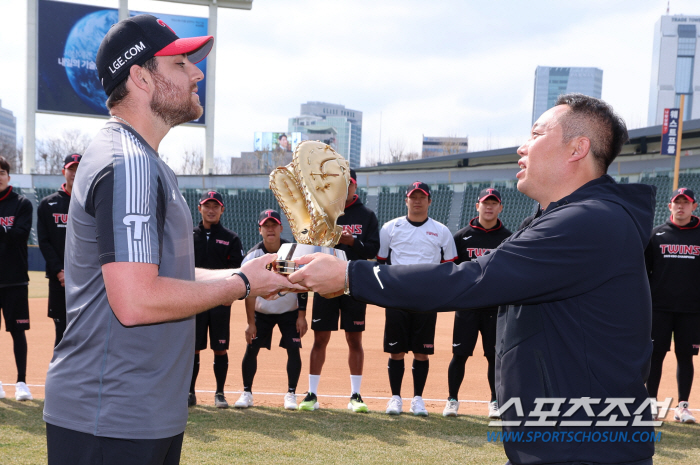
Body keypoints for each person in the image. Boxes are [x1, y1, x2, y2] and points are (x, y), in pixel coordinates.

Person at [290, 94, 657, 465]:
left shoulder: (588, 222)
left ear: (578, 148)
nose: (522, 146)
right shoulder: (566, 218)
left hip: (586, 449)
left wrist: (351, 275)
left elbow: (472, 278)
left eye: (536, 134)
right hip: (569, 439)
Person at [43, 15, 298, 465]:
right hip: (111, 417)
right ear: (141, 77)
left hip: (135, 413)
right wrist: (240, 286)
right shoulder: (129, 164)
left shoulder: (144, 162)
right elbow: (137, 299)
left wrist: (253, 274)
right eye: (181, 64)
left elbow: (162, 274)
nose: (197, 72)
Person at [300, 169, 380, 412]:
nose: (345, 189)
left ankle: (356, 395)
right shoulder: (323, 213)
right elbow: (310, 247)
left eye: (350, 184)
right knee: (320, 338)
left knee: (354, 338)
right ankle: (311, 393)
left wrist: (351, 241)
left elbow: (372, 251)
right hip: (325, 283)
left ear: (355, 186)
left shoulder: (366, 215)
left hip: (353, 283)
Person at [376, 182, 457, 417]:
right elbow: (381, 263)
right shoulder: (391, 228)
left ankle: (418, 399)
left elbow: (449, 266)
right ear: (406, 200)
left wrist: (438, 293)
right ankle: (395, 398)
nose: (417, 201)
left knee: (422, 351)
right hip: (397, 297)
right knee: (396, 350)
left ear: (430, 201)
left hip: (425, 298)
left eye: (422, 197)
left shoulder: (441, 230)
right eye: (413, 197)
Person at [444, 187, 511, 418]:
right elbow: (450, 271)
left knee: (494, 356)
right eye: (485, 203)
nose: (489, 207)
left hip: (495, 308)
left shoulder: (508, 238)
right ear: (477, 206)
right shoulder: (462, 237)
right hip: (467, 307)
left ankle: (495, 401)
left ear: (501, 207)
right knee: (460, 354)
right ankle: (452, 399)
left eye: (494, 203)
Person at [234, 209, 308, 410]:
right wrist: (250, 323)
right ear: (260, 230)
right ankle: (247, 392)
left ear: (281, 227)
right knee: (252, 349)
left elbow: (302, 284)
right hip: (262, 313)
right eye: (266, 226)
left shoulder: (293, 253)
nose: (270, 229)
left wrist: (302, 315)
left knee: (293, 350)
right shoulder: (252, 257)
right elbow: (248, 293)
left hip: (289, 311)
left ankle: (291, 393)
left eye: (273, 225)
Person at [645, 187, 700, 424]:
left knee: (685, 357)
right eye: (676, 202)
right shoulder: (656, 236)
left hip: (692, 310)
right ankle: (650, 404)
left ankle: (682, 407)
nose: (681, 206)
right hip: (659, 308)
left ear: (693, 207)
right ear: (669, 207)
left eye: (685, 203)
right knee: (655, 356)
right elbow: (644, 273)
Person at [189, 191, 245, 409]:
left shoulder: (231, 238)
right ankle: (189, 392)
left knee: (220, 348)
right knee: (193, 348)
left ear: (222, 210)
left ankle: (220, 393)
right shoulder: (188, 235)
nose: (211, 210)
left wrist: (231, 295)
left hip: (221, 302)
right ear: (199, 208)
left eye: (215, 206)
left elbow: (238, 270)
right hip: (194, 300)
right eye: (206, 206)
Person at [37, 153, 81, 347]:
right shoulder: (48, 204)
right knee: (61, 330)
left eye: (79, 169)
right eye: (71, 168)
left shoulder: (91, 203)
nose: (75, 173)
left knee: (85, 329)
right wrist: (59, 271)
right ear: (64, 171)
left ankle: (83, 375)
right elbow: (44, 241)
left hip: (84, 278)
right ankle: (61, 376)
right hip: (59, 279)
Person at [0, 156, 33, 402]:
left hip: (14, 280)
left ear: (8, 176)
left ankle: (21, 382)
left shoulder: (21, 203)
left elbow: (19, 235)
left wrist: (6, 233)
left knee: (17, 332)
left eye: (1, 172)